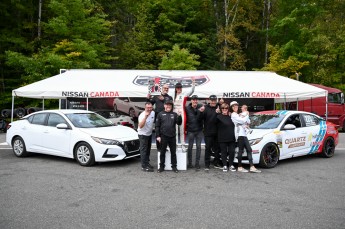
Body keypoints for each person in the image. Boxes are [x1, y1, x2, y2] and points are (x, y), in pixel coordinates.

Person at [230, 102, 261, 173]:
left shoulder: (238, 114)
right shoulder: (233, 114)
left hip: (243, 134)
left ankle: (249, 166)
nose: (236, 107)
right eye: (234, 106)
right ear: (232, 108)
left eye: (237, 106)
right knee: (243, 150)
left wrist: (246, 115)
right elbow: (243, 120)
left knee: (247, 149)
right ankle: (242, 166)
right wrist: (247, 114)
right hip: (240, 134)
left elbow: (248, 121)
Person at [155, 100, 182, 173]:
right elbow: (157, 126)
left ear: (171, 106)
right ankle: (161, 167)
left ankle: (174, 167)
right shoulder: (160, 114)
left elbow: (179, 123)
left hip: (172, 137)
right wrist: (158, 136)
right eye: (167, 105)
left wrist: (179, 116)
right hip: (163, 136)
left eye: (170, 105)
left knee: (173, 153)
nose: (168, 106)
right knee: (162, 152)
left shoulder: (175, 114)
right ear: (164, 105)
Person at [147, 83, 173, 152]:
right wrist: (148, 98)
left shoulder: (169, 97)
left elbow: (171, 106)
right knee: (158, 132)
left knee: (165, 132)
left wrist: (164, 99)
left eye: (167, 88)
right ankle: (159, 148)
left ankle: (164, 147)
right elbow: (150, 104)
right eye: (165, 88)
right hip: (158, 116)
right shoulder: (156, 96)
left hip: (166, 117)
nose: (166, 89)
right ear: (162, 88)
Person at [171, 81, 195, 150]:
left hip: (182, 112)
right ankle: (175, 145)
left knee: (182, 130)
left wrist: (193, 84)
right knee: (175, 130)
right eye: (178, 88)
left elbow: (192, 91)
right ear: (176, 88)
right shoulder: (172, 95)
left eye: (180, 87)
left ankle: (183, 145)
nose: (179, 89)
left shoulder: (184, 94)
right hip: (174, 113)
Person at [200, 95, 221, 170]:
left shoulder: (219, 108)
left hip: (217, 132)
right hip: (208, 132)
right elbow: (200, 119)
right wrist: (201, 112)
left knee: (217, 149)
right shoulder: (205, 108)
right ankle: (207, 165)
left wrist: (218, 113)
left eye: (214, 100)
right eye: (212, 100)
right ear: (209, 100)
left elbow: (220, 120)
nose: (213, 102)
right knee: (208, 149)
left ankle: (216, 163)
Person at [185, 95, 204, 170]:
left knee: (199, 147)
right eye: (194, 100)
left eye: (196, 100)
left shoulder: (201, 107)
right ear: (191, 100)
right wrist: (186, 128)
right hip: (190, 130)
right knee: (190, 147)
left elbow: (202, 118)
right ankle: (190, 163)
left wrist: (201, 112)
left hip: (199, 130)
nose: (195, 101)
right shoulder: (187, 108)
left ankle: (197, 163)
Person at [216, 102, 236, 172]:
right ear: (221, 109)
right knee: (223, 152)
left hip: (231, 137)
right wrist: (217, 113)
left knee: (232, 152)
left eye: (226, 108)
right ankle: (224, 165)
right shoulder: (218, 116)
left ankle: (231, 165)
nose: (225, 109)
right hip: (222, 137)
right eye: (223, 108)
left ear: (228, 109)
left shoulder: (231, 116)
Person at [137, 102, 155, 172]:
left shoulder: (153, 113)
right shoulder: (142, 115)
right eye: (148, 108)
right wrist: (145, 117)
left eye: (151, 107)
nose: (149, 109)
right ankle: (144, 166)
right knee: (143, 150)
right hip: (143, 134)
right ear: (145, 108)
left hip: (149, 134)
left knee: (148, 150)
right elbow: (140, 126)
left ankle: (147, 163)